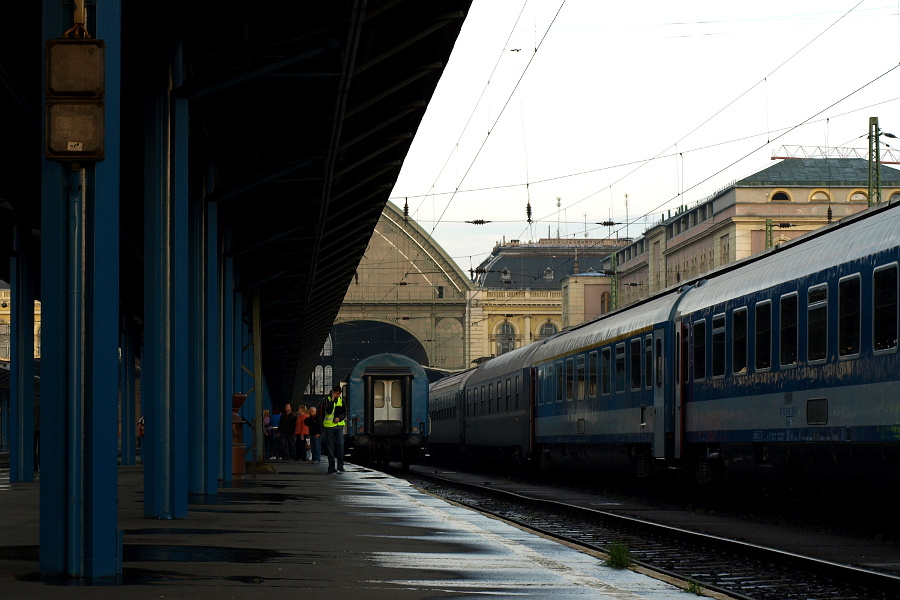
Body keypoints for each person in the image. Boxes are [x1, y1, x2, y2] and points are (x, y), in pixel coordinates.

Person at [323, 385, 347, 473]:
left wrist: (339, 419)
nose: (338, 395)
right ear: (333, 393)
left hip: (339, 426)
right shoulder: (327, 400)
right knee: (330, 447)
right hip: (329, 427)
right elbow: (328, 411)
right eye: (336, 394)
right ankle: (331, 466)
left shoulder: (342, 401)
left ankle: (340, 466)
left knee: (341, 444)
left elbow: (345, 413)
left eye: (339, 394)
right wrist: (332, 400)